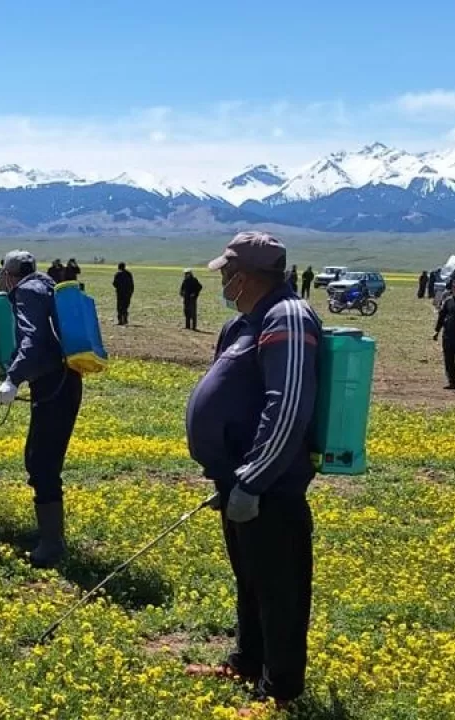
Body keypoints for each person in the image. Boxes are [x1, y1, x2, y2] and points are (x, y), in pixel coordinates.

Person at [184, 231, 320, 709]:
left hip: (269, 488)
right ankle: (247, 663)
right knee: (251, 577)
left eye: (226, 271)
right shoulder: (245, 321)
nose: (221, 278)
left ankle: (280, 690)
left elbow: (288, 405)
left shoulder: (289, 315)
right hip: (236, 480)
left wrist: (254, 478)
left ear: (244, 276)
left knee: (279, 587)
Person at [0, 250, 82, 569]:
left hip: (54, 387)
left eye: (5, 274)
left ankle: (51, 543)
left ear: (11, 275)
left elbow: (34, 340)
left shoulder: (27, 292)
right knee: (44, 459)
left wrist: (13, 379)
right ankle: (51, 535)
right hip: (65, 382)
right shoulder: (46, 286)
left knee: (40, 461)